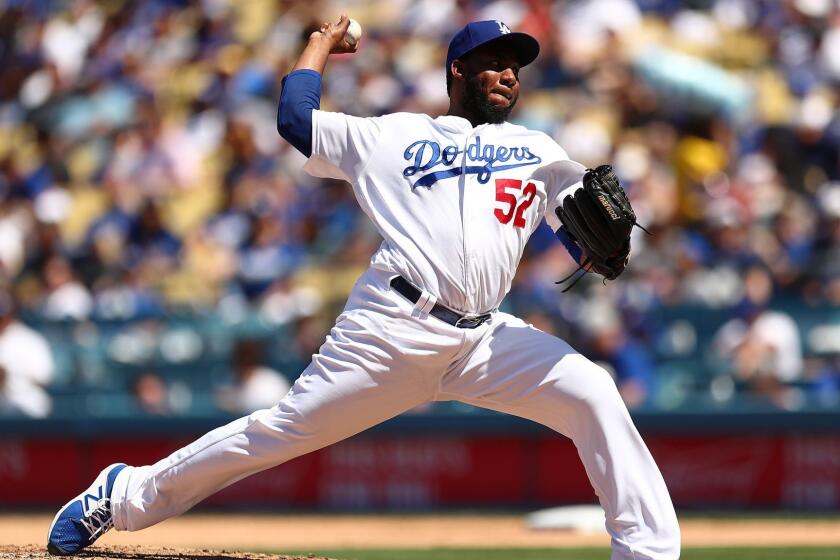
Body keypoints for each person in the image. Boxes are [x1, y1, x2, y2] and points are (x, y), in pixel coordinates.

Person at [48, 17, 680, 559]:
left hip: (485, 339)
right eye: (494, 62)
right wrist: (321, 43)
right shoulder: (393, 135)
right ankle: (123, 495)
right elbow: (297, 120)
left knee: (593, 391)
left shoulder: (537, 149)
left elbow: (583, 226)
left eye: (515, 66)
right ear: (458, 71)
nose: (510, 74)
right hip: (390, 330)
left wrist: (602, 250)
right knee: (278, 433)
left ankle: (648, 551)